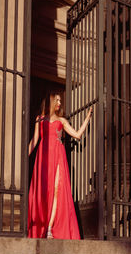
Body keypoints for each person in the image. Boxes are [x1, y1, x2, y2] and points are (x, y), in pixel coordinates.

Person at [28, 92, 93, 239]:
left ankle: (49, 228)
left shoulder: (62, 120)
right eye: (56, 100)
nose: (59, 102)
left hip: (58, 155)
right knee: (44, 191)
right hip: (43, 156)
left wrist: (88, 118)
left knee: (56, 189)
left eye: (60, 100)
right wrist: (23, 157)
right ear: (50, 102)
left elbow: (76, 135)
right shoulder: (39, 119)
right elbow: (34, 140)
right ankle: (40, 225)